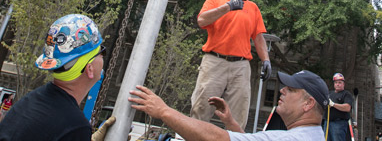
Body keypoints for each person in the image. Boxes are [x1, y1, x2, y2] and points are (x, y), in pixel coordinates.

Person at [0, 13, 113, 141]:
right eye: (101, 52)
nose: (103, 56)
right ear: (89, 69)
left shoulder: (31, 100)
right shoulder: (75, 126)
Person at [131, 69, 329, 141]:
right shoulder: (313, 135)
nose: (282, 90)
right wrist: (231, 124)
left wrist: (163, 111)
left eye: (292, 90)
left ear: (308, 104)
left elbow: (217, 140)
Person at [190, 0, 271, 131]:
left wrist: (266, 60)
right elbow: (202, 21)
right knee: (201, 108)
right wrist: (228, 6)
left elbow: (258, 37)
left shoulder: (252, 7)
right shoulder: (214, 0)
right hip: (214, 62)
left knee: (238, 114)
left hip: (241, 66)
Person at [326, 73, 353, 141]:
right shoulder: (329, 94)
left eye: (340, 82)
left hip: (339, 123)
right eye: (336, 82)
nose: (338, 84)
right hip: (327, 122)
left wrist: (333, 104)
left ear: (343, 84)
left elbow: (347, 107)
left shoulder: (346, 94)